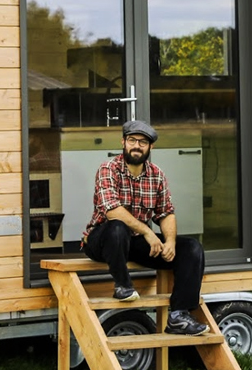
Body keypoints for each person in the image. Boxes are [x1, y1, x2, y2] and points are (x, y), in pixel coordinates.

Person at [80, 119, 210, 336]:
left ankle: (179, 315)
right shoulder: (108, 169)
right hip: (101, 241)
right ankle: (123, 286)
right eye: (132, 140)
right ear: (123, 142)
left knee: (192, 248)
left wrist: (169, 241)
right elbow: (112, 211)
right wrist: (149, 232)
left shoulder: (157, 174)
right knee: (118, 227)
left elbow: (166, 212)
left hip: (134, 243)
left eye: (143, 142)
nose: (137, 146)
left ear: (151, 147)